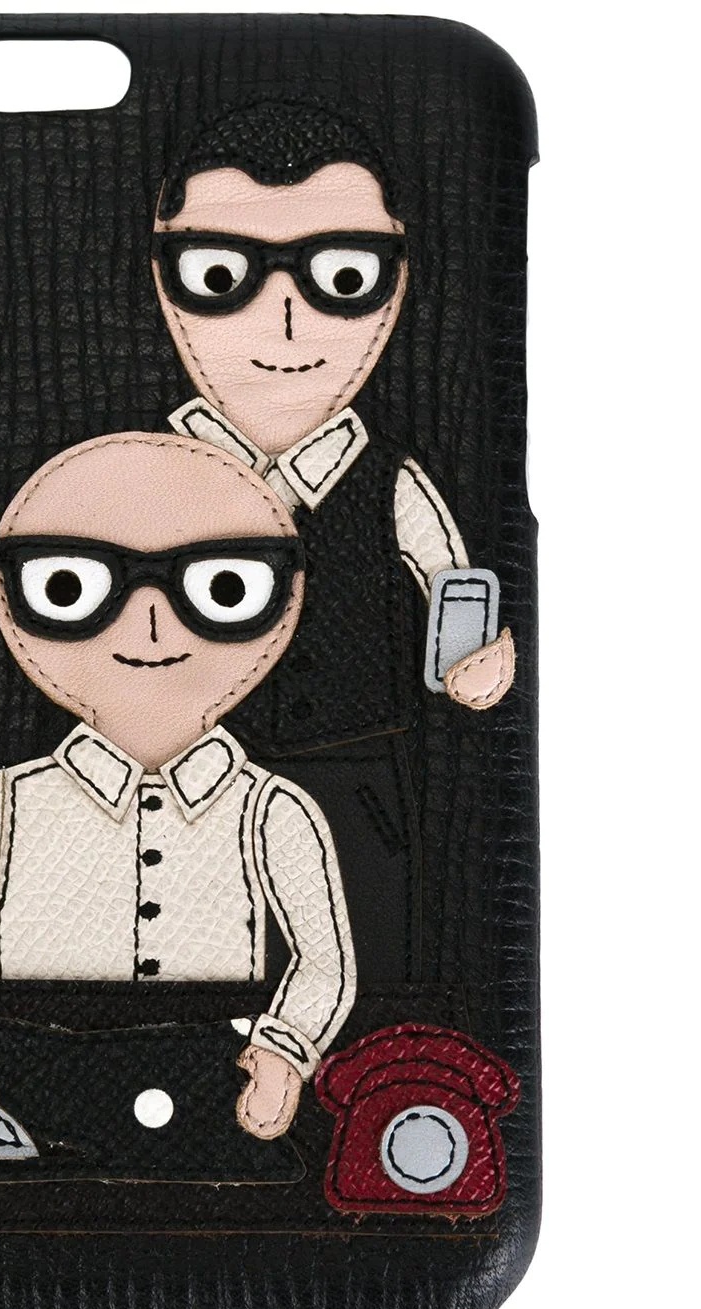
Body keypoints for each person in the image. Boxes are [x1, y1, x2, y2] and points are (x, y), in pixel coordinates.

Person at [0, 432, 355, 1175]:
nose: (151, 623)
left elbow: (326, 960)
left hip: (207, 1081)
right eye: (70, 585)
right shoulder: (13, 803)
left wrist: (286, 1048)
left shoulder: (269, 811)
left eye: (223, 587)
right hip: (28, 1083)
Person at [149, 103, 516, 981]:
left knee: (371, 958)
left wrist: (476, 666)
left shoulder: (387, 480)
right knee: (209, 961)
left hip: (358, 776)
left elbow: (454, 585)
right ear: (163, 277)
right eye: (220, 273)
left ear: (397, 277)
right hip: (197, 773)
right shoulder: (154, 470)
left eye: (341, 274)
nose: (283, 320)